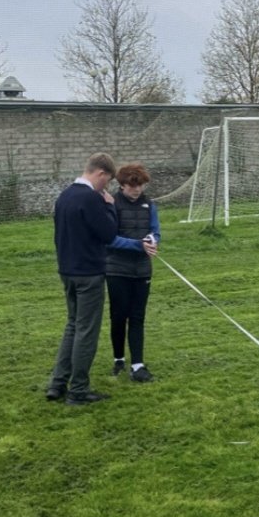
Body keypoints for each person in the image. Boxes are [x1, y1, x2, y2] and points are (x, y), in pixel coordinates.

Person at [46, 152, 118, 406]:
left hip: (67, 270)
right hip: (88, 273)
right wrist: (109, 205)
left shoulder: (65, 196)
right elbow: (109, 233)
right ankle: (78, 390)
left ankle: (57, 383)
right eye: (107, 181)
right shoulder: (91, 198)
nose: (106, 188)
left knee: (73, 326)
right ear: (100, 173)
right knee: (86, 331)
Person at [106, 162, 160, 383]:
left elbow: (155, 231)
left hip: (142, 269)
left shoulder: (149, 204)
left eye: (140, 186)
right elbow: (109, 238)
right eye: (132, 186)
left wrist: (152, 240)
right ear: (122, 185)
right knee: (119, 317)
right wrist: (138, 245)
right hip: (117, 269)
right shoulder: (111, 204)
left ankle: (137, 364)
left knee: (138, 316)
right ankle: (119, 358)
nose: (137, 190)